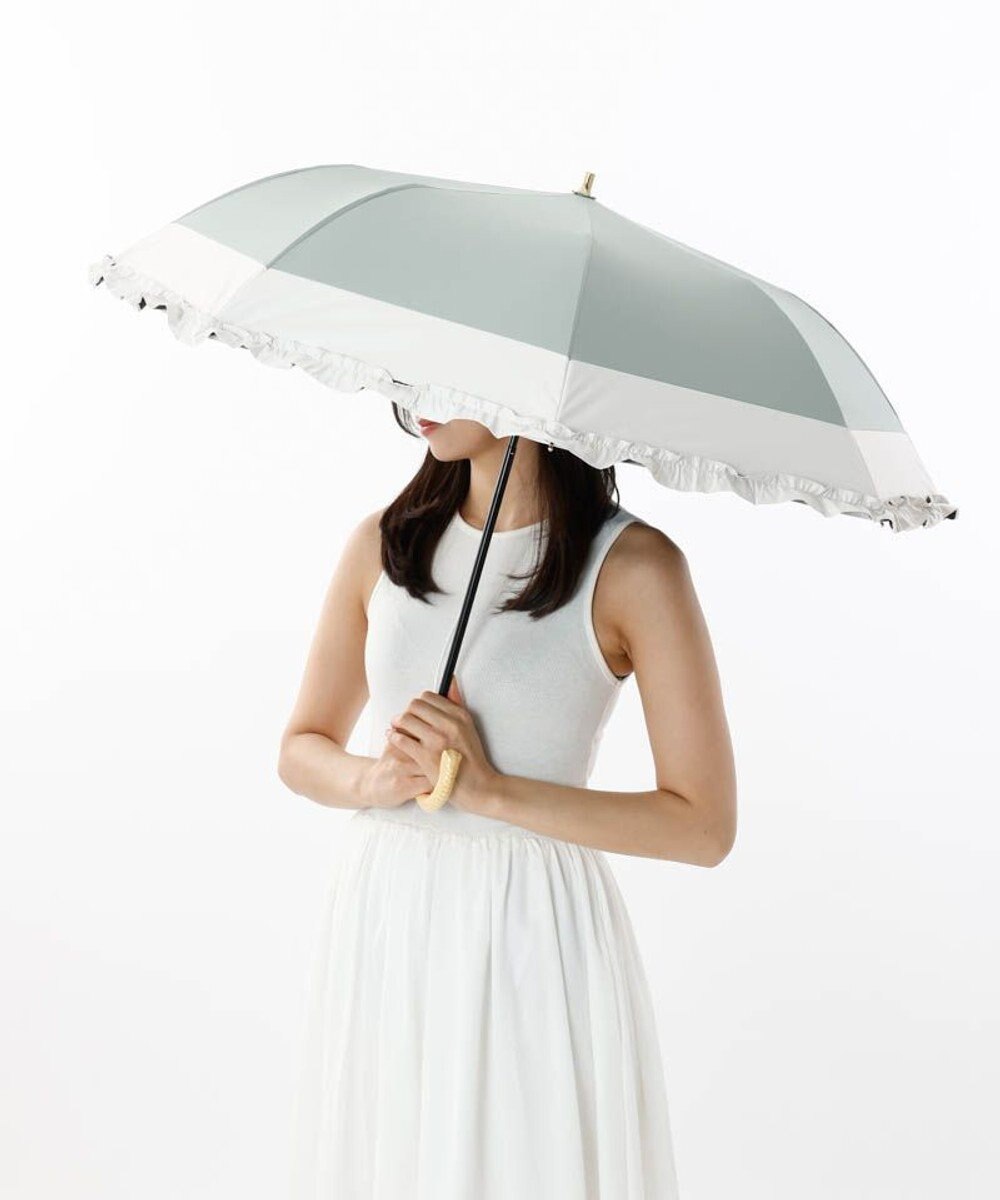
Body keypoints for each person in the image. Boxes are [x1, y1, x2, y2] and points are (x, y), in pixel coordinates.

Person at [278, 408, 738, 1200]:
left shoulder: (636, 567)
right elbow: (301, 747)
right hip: (389, 914)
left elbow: (703, 826)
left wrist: (489, 790)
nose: (422, 389)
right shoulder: (382, 544)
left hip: (528, 926)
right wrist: (376, 781)